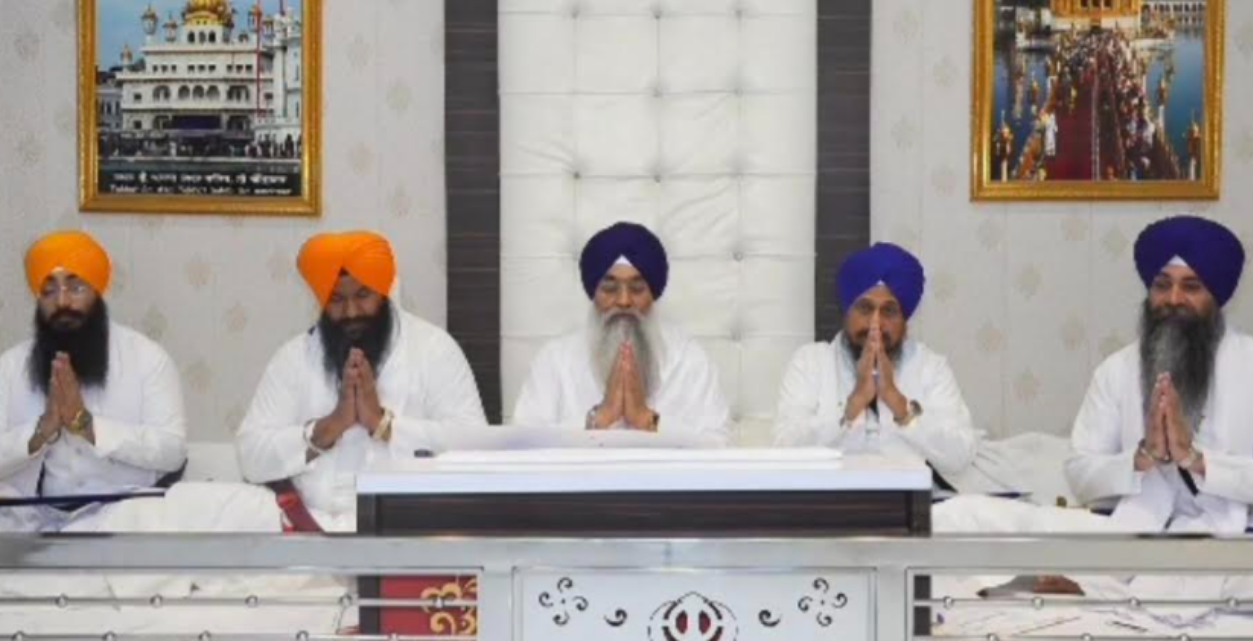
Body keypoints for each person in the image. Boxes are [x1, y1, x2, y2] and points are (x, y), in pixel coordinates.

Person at [236, 231, 487, 530]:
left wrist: (383, 424)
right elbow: (250, 457)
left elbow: (475, 449)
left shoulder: (433, 349)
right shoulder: (294, 357)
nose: (351, 312)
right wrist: (327, 428)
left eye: (363, 295)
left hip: (407, 533)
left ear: (384, 290)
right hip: (310, 533)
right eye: (336, 299)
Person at [1067, 215, 1253, 534]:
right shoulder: (1116, 370)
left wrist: (1197, 461)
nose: (1174, 298)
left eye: (1191, 287)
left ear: (1217, 296)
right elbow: (1080, 475)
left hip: (1235, 546)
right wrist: (1143, 457)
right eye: (1162, 285)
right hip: (1135, 539)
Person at [0, 231, 186, 503]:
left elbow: (173, 451)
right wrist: (40, 432)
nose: (62, 302)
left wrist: (85, 424)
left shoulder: (147, 358)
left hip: (124, 514)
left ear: (98, 290)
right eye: (49, 291)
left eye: (76, 288)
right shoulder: (10, 367)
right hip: (33, 518)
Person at [512, 222, 730, 445]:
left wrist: (646, 420)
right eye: (609, 288)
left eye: (637, 289)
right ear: (593, 293)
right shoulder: (555, 360)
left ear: (653, 294)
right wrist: (600, 418)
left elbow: (719, 446)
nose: (624, 301)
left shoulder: (688, 359)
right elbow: (523, 447)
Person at [772, 243, 977, 477]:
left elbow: (960, 457)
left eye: (889, 311)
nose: (875, 324)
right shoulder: (810, 363)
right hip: (830, 495)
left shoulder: (931, 368)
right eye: (865, 308)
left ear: (904, 321)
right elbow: (784, 449)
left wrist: (898, 403)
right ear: (847, 312)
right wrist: (854, 404)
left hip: (910, 496)